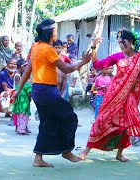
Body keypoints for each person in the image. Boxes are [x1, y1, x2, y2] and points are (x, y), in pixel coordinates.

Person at [12, 19, 92, 167]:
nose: (56, 32)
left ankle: (38, 158)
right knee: (70, 118)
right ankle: (66, 151)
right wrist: (83, 62)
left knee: (47, 123)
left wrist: (18, 90)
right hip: (46, 91)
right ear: (49, 33)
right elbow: (66, 69)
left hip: (38, 90)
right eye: (54, 30)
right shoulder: (48, 49)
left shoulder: (36, 46)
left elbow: (27, 70)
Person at [79, 29, 140, 162]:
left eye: (124, 42)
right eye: (120, 42)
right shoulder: (118, 56)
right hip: (113, 94)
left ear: (131, 42)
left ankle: (119, 153)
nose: (121, 45)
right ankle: (86, 150)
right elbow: (98, 65)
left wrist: (139, 82)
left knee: (124, 125)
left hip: (130, 96)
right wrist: (93, 46)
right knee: (101, 120)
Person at [12, 59, 31, 135]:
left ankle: (21, 128)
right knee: (23, 115)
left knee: (20, 115)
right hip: (22, 100)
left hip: (19, 99)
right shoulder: (18, 77)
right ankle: (21, 129)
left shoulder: (21, 76)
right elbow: (18, 88)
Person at [0, 57, 17, 123]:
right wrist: (9, 91)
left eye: (14, 64)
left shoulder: (17, 74)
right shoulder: (2, 73)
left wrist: (10, 91)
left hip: (14, 91)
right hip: (4, 92)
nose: (12, 65)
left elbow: (18, 86)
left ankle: (17, 115)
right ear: (7, 64)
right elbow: (4, 87)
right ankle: (9, 112)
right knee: (5, 95)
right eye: (11, 64)